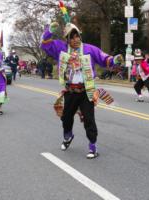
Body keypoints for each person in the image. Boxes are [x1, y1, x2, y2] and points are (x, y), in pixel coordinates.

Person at [40, 20, 123, 159]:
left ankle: (92, 146)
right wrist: (50, 31)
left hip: (86, 91)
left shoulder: (90, 49)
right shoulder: (61, 48)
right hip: (70, 91)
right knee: (66, 118)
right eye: (71, 37)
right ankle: (68, 136)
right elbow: (45, 44)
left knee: (89, 119)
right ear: (67, 39)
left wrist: (114, 60)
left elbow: (104, 58)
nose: (75, 39)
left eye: (77, 36)